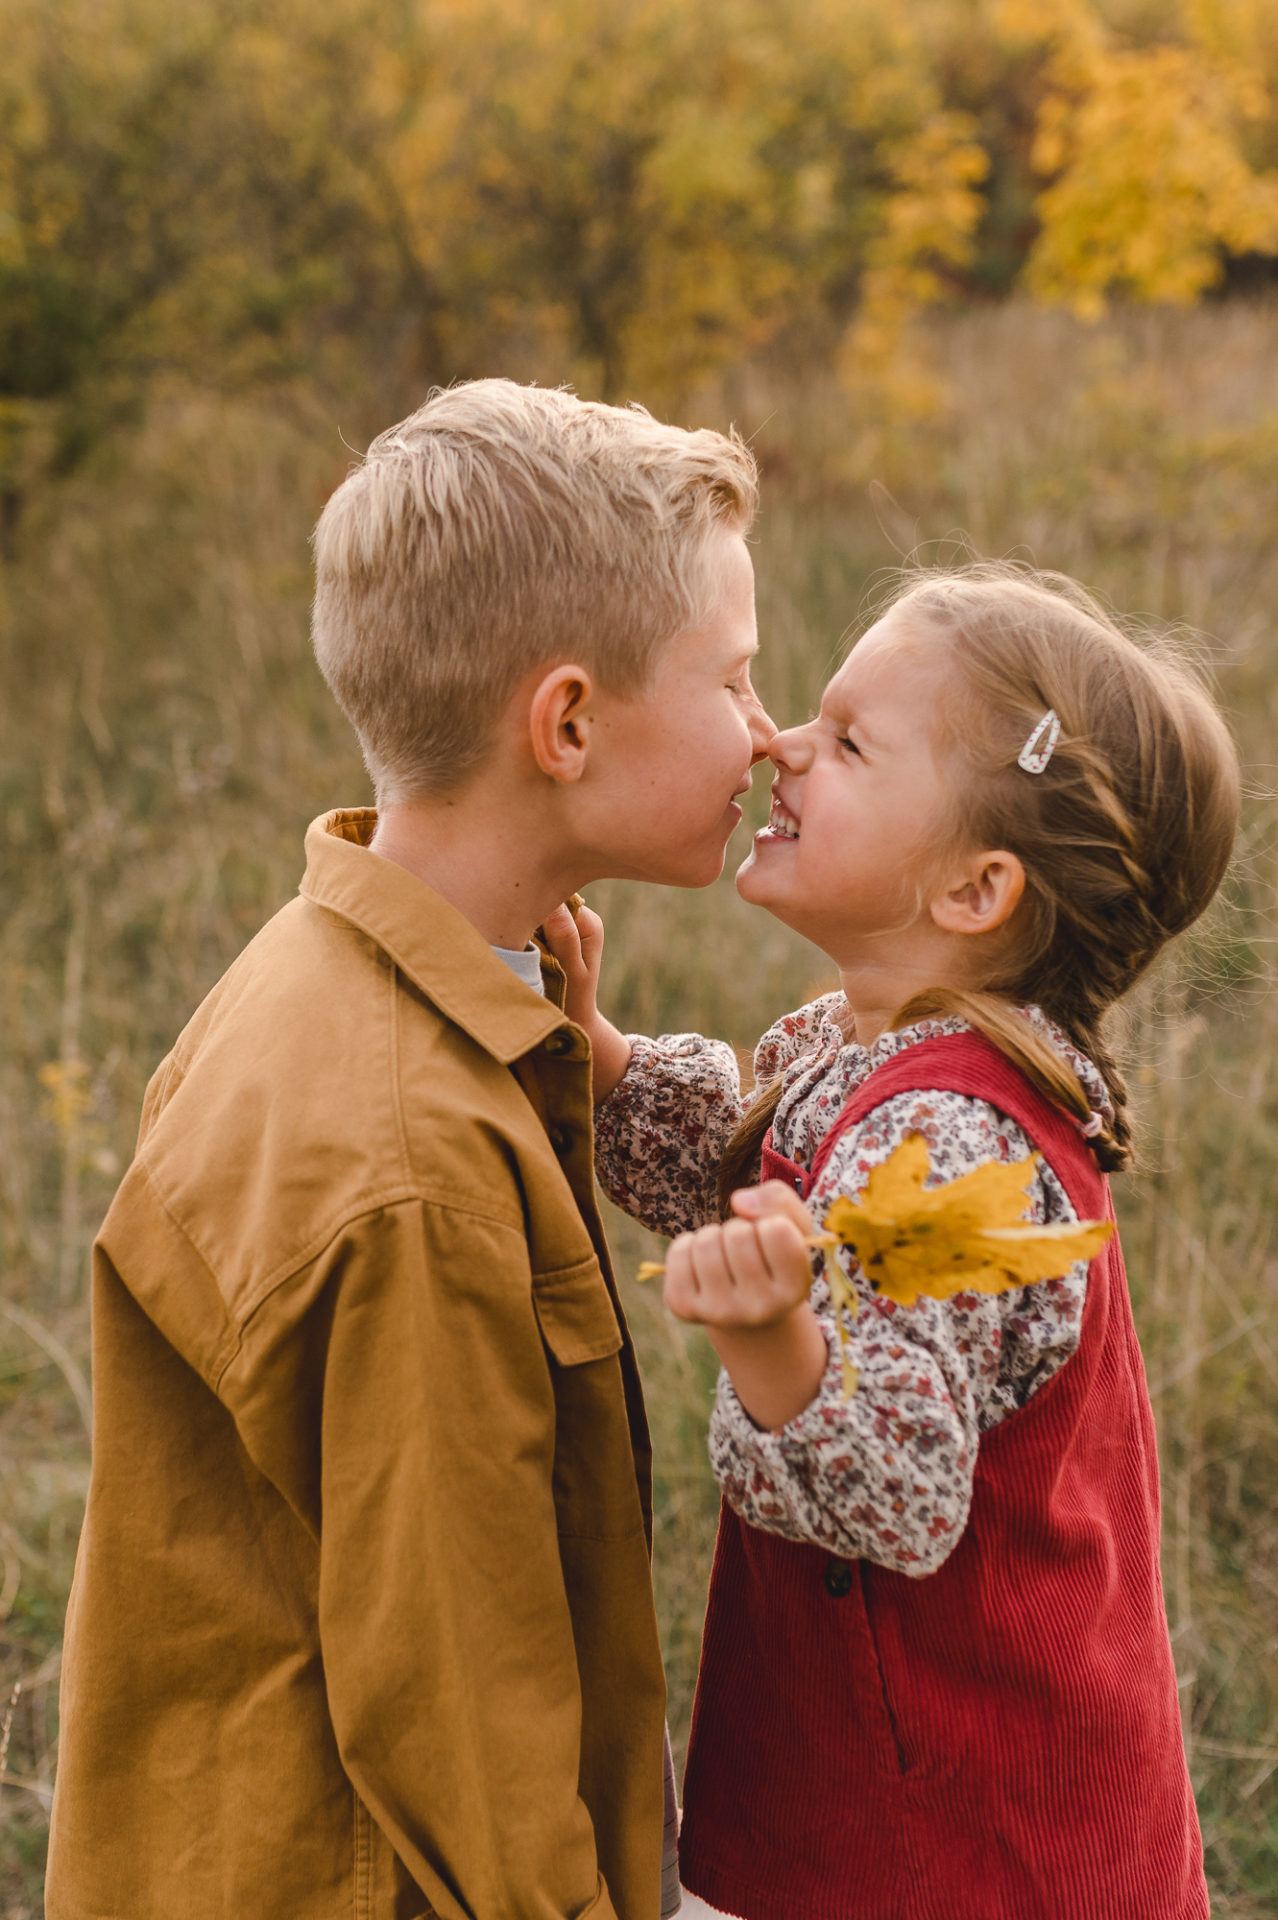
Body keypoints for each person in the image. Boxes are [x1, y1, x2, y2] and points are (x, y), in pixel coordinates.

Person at [46, 380, 776, 1920]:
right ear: (565, 722)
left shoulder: (332, 972)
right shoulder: (408, 1168)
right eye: (737, 680)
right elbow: (468, 1719)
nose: (769, 737)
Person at [548, 563, 1240, 1920]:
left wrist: (769, 1339)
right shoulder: (884, 1060)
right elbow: (766, 1160)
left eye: (846, 741)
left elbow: (893, 1487)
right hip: (946, 1807)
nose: (779, 747)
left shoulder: (953, 1138)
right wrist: (604, 1060)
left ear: (975, 891)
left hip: (948, 1846)